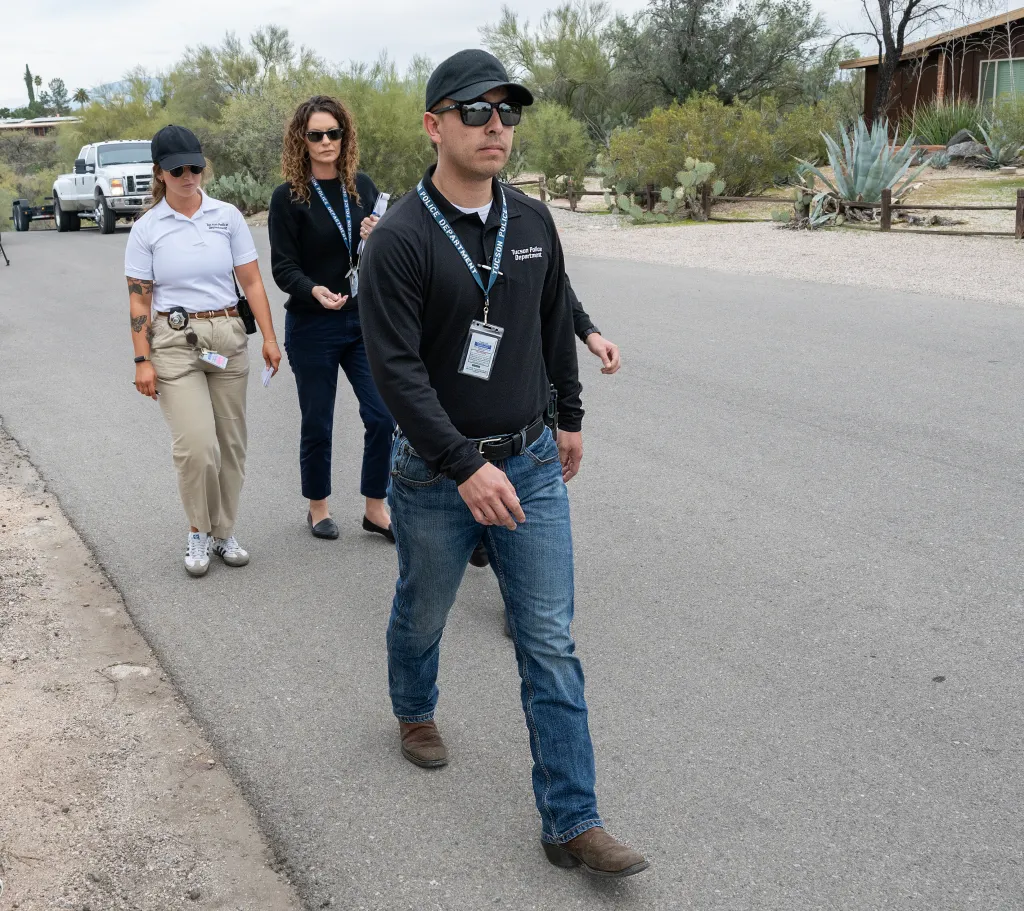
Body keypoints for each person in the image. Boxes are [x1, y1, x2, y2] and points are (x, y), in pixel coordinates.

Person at [360, 49, 649, 879]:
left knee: (549, 639)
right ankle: (414, 709)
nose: (496, 127)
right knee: (424, 608)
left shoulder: (530, 222)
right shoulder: (403, 239)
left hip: (526, 462)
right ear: (433, 124)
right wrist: (460, 465)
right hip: (434, 474)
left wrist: (569, 414)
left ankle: (572, 821)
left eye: (508, 113)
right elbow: (396, 374)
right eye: (476, 111)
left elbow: (552, 317)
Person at [126, 125, 281, 576]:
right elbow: (139, 297)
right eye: (178, 169)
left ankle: (223, 531)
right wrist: (142, 359)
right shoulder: (147, 228)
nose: (189, 175)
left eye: (196, 166)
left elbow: (251, 281)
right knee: (197, 447)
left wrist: (269, 338)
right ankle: (198, 529)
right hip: (174, 341)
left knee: (231, 445)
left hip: (227, 335)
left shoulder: (226, 216)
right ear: (159, 173)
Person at [269, 95, 395, 542]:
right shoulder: (288, 197)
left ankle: (375, 508)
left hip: (362, 322)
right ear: (301, 141)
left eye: (333, 133)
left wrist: (377, 236)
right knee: (318, 421)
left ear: (345, 136)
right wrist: (313, 290)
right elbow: (283, 267)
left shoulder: (361, 186)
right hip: (312, 325)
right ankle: (317, 508)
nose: (326, 142)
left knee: (383, 416)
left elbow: (379, 255)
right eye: (316, 135)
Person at [469, 277, 619, 569]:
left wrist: (590, 333)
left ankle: (514, 557)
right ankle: (475, 527)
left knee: (526, 463)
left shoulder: (536, 233)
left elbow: (558, 289)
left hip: (529, 377)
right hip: (471, 368)